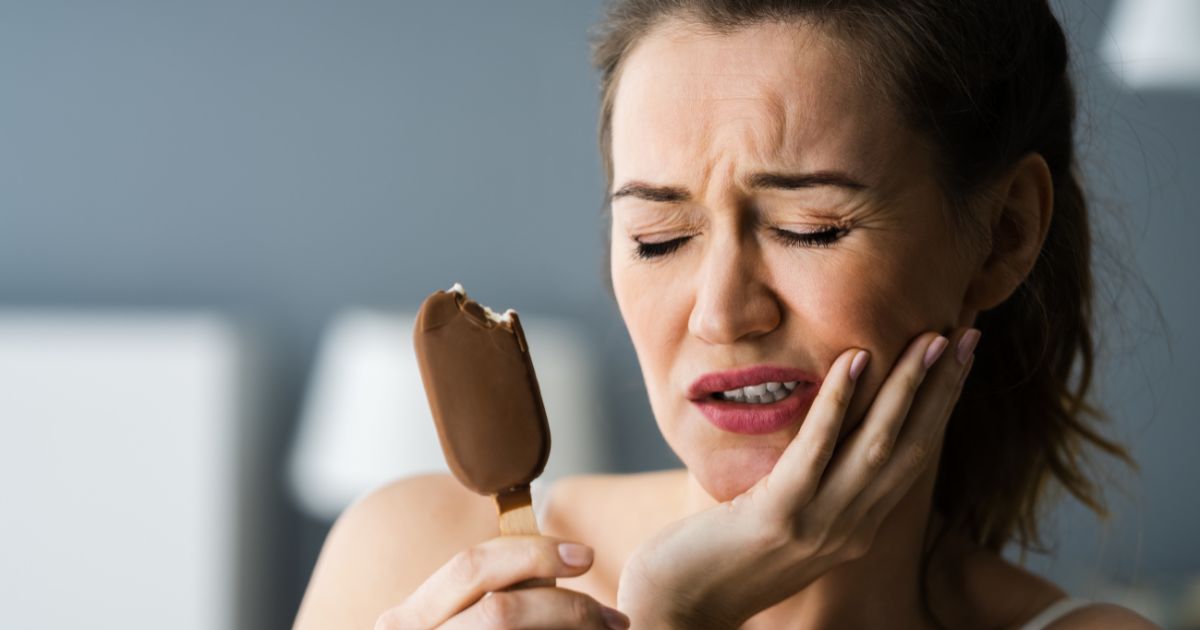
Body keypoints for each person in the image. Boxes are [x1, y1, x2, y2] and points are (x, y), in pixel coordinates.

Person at [294, 1, 1157, 627]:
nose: (720, 314)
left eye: (808, 229)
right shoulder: (411, 553)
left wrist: (680, 618)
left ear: (1003, 235)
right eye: (660, 237)